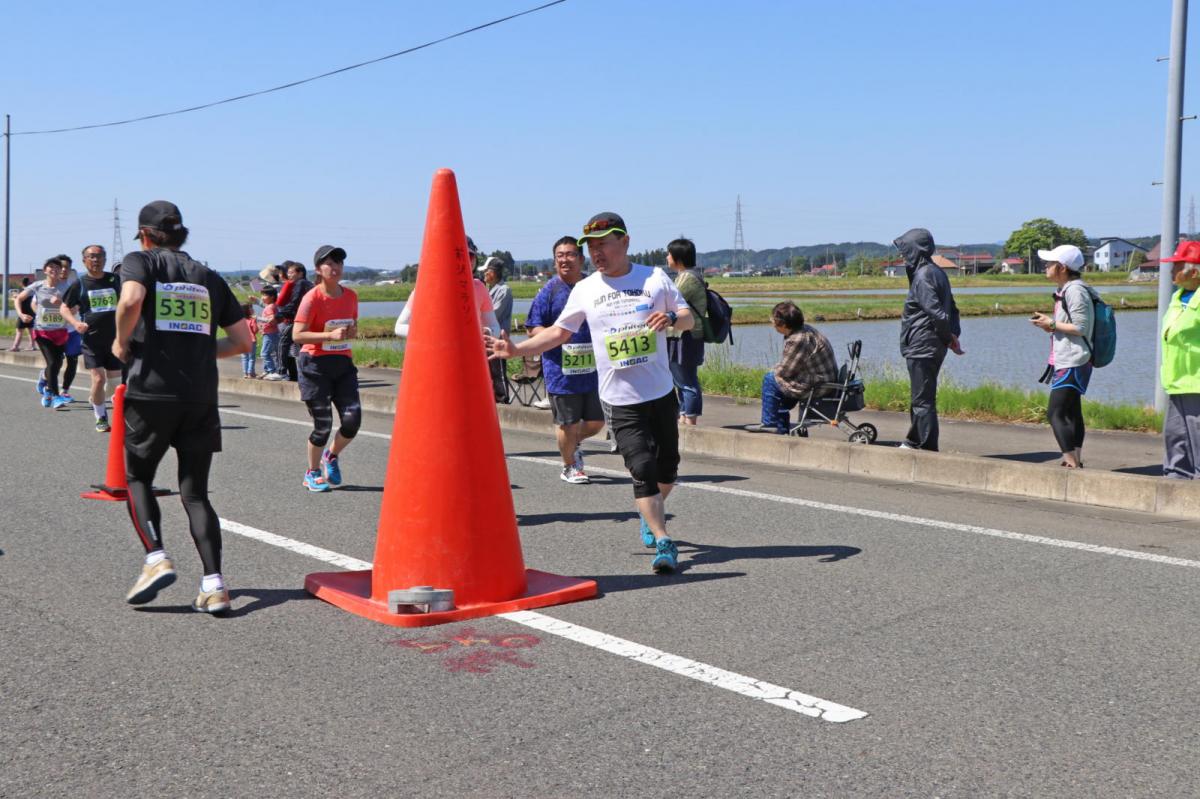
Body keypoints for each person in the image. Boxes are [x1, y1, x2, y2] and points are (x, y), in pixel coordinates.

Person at [488, 212, 694, 573]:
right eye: (591, 247)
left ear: (625, 242)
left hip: (660, 391)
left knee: (668, 469)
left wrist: (673, 319)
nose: (597, 253)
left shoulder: (654, 277)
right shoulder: (586, 289)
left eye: (604, 244)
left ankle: (651, 512)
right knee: (641, 466)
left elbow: (689, 315)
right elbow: (560, 332)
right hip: (619, 397)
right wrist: (519, 349)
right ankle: (663, 540)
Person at [113, 200, 253, 614]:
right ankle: (215, 585)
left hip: (151, 393)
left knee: (137, 478)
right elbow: (245, 342)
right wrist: (198, 352)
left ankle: (155, 558)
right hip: (200, 396)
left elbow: (131, 300)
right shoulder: (207, 276)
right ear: (181, 234)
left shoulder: (140, 261)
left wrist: (121, 342)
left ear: (144, 234)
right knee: (196, 494)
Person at [525, 236, 605, 483]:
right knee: (567, 423)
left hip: (593, 369)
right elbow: (532, 327)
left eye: (570, 254)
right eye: (560, 255)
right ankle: (570, 466)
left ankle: (570, 441)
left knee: (596, 422)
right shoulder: (549, 291)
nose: (565, 260)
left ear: (582, 259)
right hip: (561, 369)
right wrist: (557, 337)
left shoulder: (594, 287)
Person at [293, 245, 361, 492]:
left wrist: (350, 332)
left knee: (353, 421)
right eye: (329, 264)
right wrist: (328, 335)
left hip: (342, 364)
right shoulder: (312, 297)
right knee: (322, 425)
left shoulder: (351, 296)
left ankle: (331, 456)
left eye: (339, 263)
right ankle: (311, 473)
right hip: (314, 366)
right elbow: (297, 334)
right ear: (318, 270)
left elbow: (352, 327)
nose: (335, 268)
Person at [896, 227, 963, 451]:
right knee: (921, 396)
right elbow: (952, 309)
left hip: (923, 344)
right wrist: (952, 336)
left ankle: (926, 448)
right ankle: (914, 440)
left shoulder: (924, 276)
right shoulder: (936, 272)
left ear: (917, 250)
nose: (903, 255)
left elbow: (937, 312)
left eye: (905, 250)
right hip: (930, 344)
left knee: (922, 400)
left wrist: (948, 337)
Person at [1029, 244, 1094, 469]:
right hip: (1074, 358)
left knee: (1055, 412)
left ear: (1062, 267)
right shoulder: (1069, 288)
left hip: (1073, 360)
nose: (1045, 266)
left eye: (1050, 263)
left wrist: (1053, 323)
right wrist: (1051, 325)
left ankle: (1071, 462)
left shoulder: (1074, 290)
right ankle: (1074, 460)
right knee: (1071, 411)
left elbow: (1081, 327)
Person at [744, 302, 838, 434]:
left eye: (773, 320)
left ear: (783, 324)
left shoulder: (797, 340)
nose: (772, 323)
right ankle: (781, 431)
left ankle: (769, 423)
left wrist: (773, 370)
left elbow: (785, 371)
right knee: (779, 388)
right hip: (822, 379)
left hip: (818, 385)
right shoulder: (805, 329)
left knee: (770, 379)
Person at [60, 244, 123, 431]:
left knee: (114, 382)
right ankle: (101, 417)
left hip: (116, 339)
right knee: (98, 379)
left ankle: (98, 399)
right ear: (84, 260)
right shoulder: (79, 284)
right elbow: (64, 308)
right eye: (91, 256)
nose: (96, 260)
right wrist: (75, 323)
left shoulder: (115, 280)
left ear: (105, 258)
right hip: (92, 339)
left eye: (99, 256)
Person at [394, 236, 499, 338]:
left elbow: (495, 327)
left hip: (469, 353)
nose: (465, 260)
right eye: (458, 255)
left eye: (470, 255)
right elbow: (399, 327)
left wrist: (488, 332)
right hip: (437, 352)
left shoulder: (479, 287)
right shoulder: (425, 288)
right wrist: (431, 332)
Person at [1159, 240, 1200, 479]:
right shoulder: (1178, 297)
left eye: (1176, 267)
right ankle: (1175, 480)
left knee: (1197, 436)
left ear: (1193, 272)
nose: (1171, 271)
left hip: (1196, 380)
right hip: (1177, 380)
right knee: (1175, 435)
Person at [15, 258, 73, 409]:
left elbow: (74, 308)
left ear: (61, 271)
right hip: (42, 331)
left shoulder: (66, 287)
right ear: (45, 270)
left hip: (60, 331)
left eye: (57, 267)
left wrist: (61, 303)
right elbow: (19, 299)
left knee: (57, 364)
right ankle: (55, 396)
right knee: (53, 362)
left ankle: (45, 381)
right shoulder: (37, 286)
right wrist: (21, 314)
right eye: (51, 267)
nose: (54, 269)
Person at [665, 238, 707, 425]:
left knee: (686, 380)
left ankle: (690, 420)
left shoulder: (687, 278)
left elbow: (669, 301)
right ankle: (684, 416)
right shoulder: (686, 275)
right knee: (681, 379)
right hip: (682, 335)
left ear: (678, 257)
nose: (667, 257)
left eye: (669, 254)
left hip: (687, 335)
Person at [265, 261, 313, 382]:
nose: (289, 275)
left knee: (283, 342)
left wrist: (278, 316)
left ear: (300, 273)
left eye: (291, 272)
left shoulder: (300, 284)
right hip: (306, 319)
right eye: (288, 272)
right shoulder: (307, 284)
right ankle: (312, 373)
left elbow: (294, 303)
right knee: (305, 347)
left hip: (297, 319)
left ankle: (281, 372)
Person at [257, 285, 280, 377]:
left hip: (270, 333)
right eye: (262, 295)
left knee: (265, 353)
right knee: (268, 353)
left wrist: (257, 318)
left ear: (272, 297)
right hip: (269, 333)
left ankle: (272, 371)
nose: (262, 297)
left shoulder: (270, 307)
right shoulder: (272, 306)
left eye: (264, 295)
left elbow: (271, 320)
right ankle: (266, 370)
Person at [8, 277, 34, 351]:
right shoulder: (32, 291)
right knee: (30, 330)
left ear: (22, 283)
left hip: (23, 314)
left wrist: (15, 298)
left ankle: (15, 346)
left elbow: (19, 299)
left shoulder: (24, 291)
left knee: (19, 330)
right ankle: (32, 345)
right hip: (31, 313)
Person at [241, 302, 260, 378]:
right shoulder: (252, 320)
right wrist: (255, 322)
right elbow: (255, 330)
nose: (252, 309)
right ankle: (250, 373)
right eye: (251, 308)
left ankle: (245, 373)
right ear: (247, 310)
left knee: (244, 357)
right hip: (251, 340)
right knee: (251, 358)